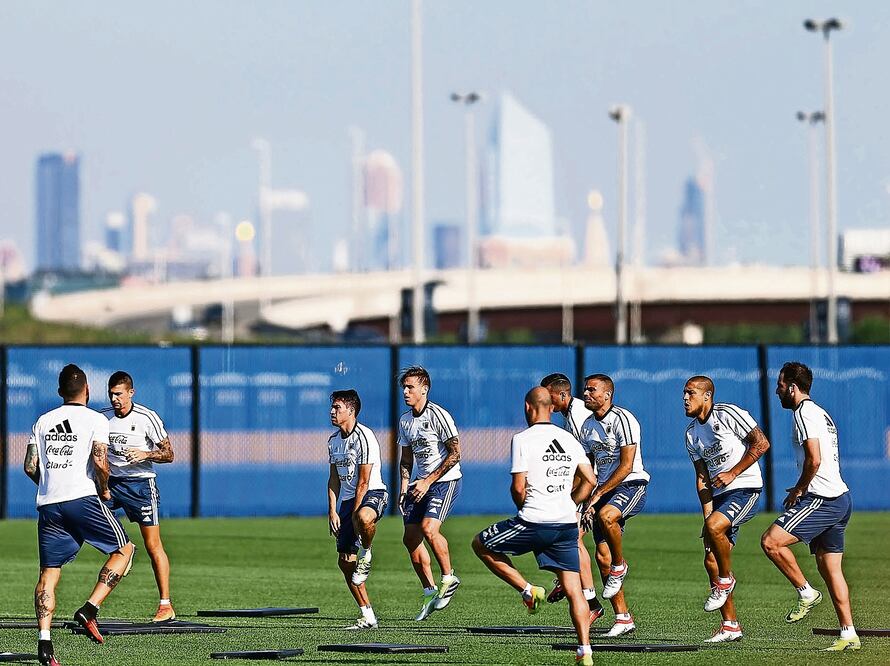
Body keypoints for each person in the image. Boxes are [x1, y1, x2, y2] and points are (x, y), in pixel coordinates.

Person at [472, 387, 597, 666]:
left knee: (480, 544)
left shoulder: (522, 439)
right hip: (565, 524)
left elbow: (518, 487)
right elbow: (589, 480)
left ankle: (529, 591)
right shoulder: (568, 439)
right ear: (552, 407)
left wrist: (522, 506)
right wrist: (568, 501)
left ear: (528, 407)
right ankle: (585, 650)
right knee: (574, 589)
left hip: (533, 520)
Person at [24, 364, 136, 666]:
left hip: (48, 503)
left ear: (60, 392)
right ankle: (90, 609)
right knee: (125, 549)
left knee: (48, 575)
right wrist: (105, 491)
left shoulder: (43, 421)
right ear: (87, 391)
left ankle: (44, 644)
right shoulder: (95, 419)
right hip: (82, 498)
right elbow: (100, 461)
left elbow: (30, 467)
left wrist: (51, 484)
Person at [761, 362, 859, 651]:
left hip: (822, 499)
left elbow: (813, 459)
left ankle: (806, 593)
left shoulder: (803, 413)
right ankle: (848, 634)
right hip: (841, 498)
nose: (777, 391)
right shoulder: (821, 412)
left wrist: (801, 489)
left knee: (771, 542)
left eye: (780, 385)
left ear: (792, 386)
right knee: (831, 570)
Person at [683, 375, 770, 643]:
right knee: (710, 559)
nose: (685, 399)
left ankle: (725, 580)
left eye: (691, 393)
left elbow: (762, 443)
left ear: (707, 396)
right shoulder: (690, 434)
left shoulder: (728, 413)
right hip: (720, 497)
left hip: (745, 487)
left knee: (716, 530)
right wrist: (708, 515)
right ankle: (730, 625)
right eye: (684, 394)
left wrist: (733, 473)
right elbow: (702, 480)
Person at [579, 374, 649, 638]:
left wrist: (598, 494)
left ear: (607, 394)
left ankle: (620, 566)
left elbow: (627, 465)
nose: (586, 394)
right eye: (585, 389)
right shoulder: (587, 426)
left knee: (608, 516)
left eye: (592, 390)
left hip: (631, 485)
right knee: (601, 556)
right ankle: (623, 617)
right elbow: (587, 470)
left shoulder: (623, 419)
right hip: (603, 491)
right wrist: (584, 500)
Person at [103, 371, 176, 622]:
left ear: (131, 393)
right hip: (111, 485)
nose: (115, 399)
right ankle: (125, 549)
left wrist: (145, 455)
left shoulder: (147, 417)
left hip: (141, 486)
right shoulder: (102, 418)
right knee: (85, 524)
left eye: (119, 394)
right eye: (111, 394)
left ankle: (165, 605)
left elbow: (169, 454)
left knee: (153, 544)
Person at [397, 366, 462, 621]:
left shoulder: (439, 415)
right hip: (419, 484)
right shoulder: (405, 420)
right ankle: (429, 590)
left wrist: (427, 480)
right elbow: (405, 460)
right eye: (404, 387)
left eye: (410, 387)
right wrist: (405, 487)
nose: (405, 391)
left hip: (444, 481)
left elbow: (456, 454)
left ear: (424, 389)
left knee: (428, 529)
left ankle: (449, 577)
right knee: (410, 539)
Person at [540, 373, 604, 624]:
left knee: (573, 539)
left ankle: (592, 604)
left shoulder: (579, 415)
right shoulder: (570, 416)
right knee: (570, 539)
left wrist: (578, 497)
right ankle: (581, 594)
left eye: (549, 395)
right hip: (588, 485)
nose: (545, 401)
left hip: (596, 485)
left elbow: (591, 462)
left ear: (563, 395)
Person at [326, 389, 389, 630]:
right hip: (347, 501)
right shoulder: (333, 441)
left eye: (337, 408)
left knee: (363, 517)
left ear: (351, 411)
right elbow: (333, 479)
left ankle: (368, 552)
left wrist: (354, 512)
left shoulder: (364, 437)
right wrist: (333, 511)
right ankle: (368, 615)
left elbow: (364, 480)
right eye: (332, 407)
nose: (332, 412)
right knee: (345, 562)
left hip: (372, 493)